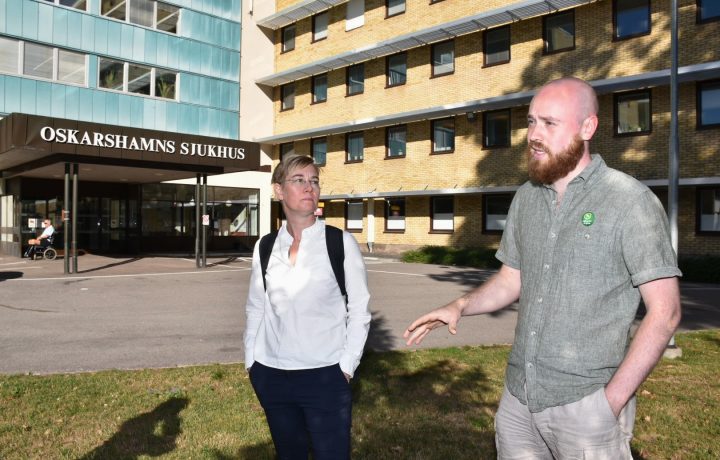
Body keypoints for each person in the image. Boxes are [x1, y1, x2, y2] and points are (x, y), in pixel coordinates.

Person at [404, 77, 681, 459]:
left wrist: (608, 404)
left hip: (587, 406)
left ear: (587, 128)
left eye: (549, 124)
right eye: (532, 122)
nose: (534, 134)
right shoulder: (526, 198)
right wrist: (460, 306)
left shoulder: (630, 201)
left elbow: (665, 313)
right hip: (519, 400)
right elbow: (510, 280)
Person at [244, 154, 372, 460]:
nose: (309, 187)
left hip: (325, 376)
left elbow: (360, 308)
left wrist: (346, 365)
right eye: (298, 180)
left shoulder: (339, 242)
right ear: (278, 191)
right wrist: (252, 360)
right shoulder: (265, 246)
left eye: (313, 180)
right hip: (272, 375)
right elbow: (255, 306)